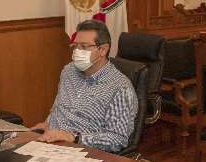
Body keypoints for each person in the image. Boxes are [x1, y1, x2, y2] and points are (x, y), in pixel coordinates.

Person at [32, 20, 137, 153]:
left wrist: (74, 138)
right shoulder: (68, 71)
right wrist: (47, 123)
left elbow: (117, 139)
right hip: (50, 140)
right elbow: (58, 107)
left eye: (84, 46)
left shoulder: (120, 87)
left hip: (81, 150)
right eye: (75, 46)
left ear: (103, 50)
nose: (77, 51)